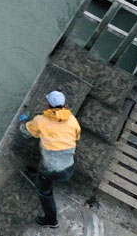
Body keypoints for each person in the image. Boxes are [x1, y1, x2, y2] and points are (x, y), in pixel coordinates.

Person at [19, 90, 81, 228]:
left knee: (44, 192)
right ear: (64, 104)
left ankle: (51, 221)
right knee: (46, 171)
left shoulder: (40, 120)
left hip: (51, 171)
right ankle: (39, 176)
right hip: (69, 168)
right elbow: (76, 137)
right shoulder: (72, 120)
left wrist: (23, 120)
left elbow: (26, 132)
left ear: (48, 105)